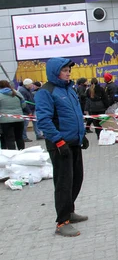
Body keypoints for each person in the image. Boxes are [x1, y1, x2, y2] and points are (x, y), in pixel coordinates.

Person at [34, 58, 89, 237]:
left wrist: (83, 136)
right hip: (60, 144)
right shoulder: (46, 92)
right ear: (55, 71)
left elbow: (76, 114)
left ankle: (70, 210)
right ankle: (62, 222)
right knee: (64, 183)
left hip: (73, 143)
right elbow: (44, 120)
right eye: (64, 70)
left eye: (68, 70)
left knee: (76, 179)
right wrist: (58, 141)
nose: (68, 73)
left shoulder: (69, 89)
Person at [0, 81, 26, 150]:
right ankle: (22, 153)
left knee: (9, 139)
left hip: (5, 121)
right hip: (19, 118)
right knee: (19, 138)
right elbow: (24, 105)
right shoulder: (17, 93)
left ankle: (13, 156)